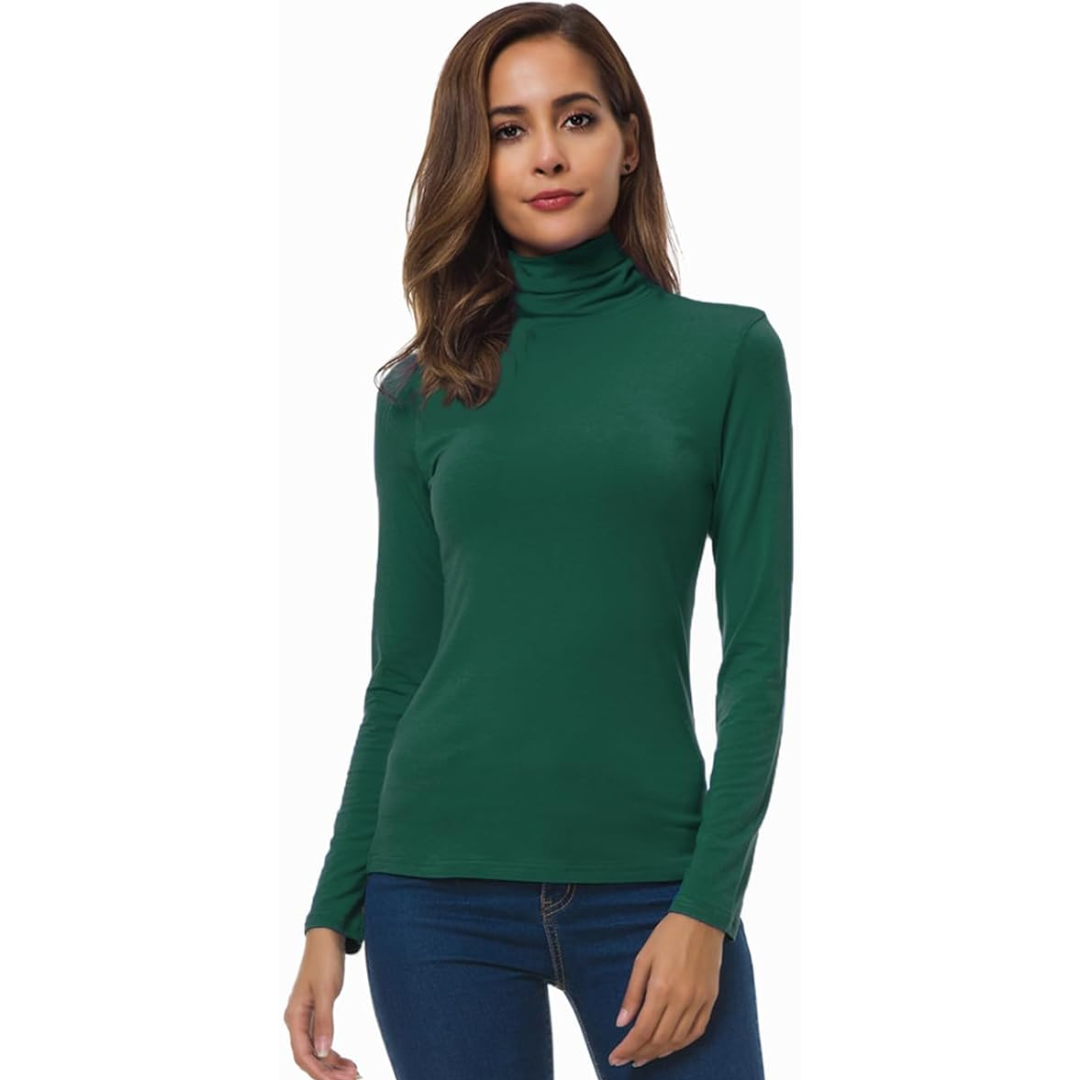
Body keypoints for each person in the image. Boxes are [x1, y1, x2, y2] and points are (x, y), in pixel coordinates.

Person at [284, 4, 793, 1078]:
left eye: (577, 118)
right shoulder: (420, 389)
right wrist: (332, 912)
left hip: (653, 884)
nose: (547, 155)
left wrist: (708, 904)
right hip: (435, 891)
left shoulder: (727, 356)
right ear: (473, 160)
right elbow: (401, 673)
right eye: (508, 130)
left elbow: (754, 660)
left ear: (629, 139)